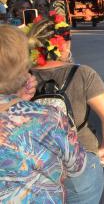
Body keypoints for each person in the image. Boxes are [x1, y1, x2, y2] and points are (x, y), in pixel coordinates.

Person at [28, 13, 104, 203]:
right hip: (80, 163)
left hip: (35, 166)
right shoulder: (83, 74)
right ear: (65, 44)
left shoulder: (22, 77)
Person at [0, 25, 87, 202]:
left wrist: (17, 100)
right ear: (24, 67)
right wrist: (22, 104)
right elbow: (77, 166)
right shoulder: (47, 118)